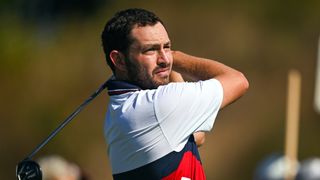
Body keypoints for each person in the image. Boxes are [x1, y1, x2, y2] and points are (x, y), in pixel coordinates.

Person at [101, 8, 249, 179]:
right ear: (119, 60)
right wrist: (176, 57)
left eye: (167, 47)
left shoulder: (117, 111)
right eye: (151, 50)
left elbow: (197, 136)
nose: (164, 59)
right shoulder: (157, 106)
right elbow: (238, 81)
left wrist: (164, 64)